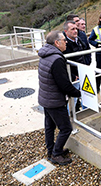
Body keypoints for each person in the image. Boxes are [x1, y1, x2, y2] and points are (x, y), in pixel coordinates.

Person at [38, 31, 81, 165]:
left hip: (45, 98)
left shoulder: (45, 54)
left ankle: (51, 150)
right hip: (54, 100)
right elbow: (64, 84)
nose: (66, 42)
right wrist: (79, 93)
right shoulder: (56, 59)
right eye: (64, 40)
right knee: (66, 128)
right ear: (57, 43)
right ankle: (56, 154)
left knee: (49, 126)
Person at [63, 20, 88, 111]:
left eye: (76, 29)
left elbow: (86, 52)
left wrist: (87, 64)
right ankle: (70, 119)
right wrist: (73, 76)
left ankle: (86, 114)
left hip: (83, 72)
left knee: (86, 95)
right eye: (72, 29)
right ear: (66, 32)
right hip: (74, 77)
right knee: (72, 99)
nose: (75, 31)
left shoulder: (79, 39)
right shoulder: (65, 45)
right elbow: (63, 63)